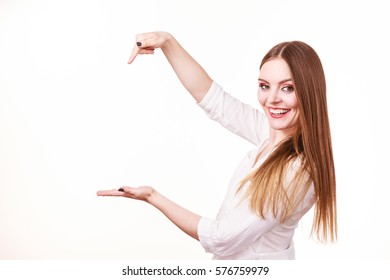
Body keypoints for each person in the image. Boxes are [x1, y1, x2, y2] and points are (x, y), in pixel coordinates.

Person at [97, 31, 337, 259]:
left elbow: (221, 238)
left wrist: (153, 196)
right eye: (265, 86)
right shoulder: (271, 133)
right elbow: (211, 97)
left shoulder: (296, 170)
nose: (271, 98)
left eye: (288, 88)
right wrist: (167, 41)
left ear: (309, 92)